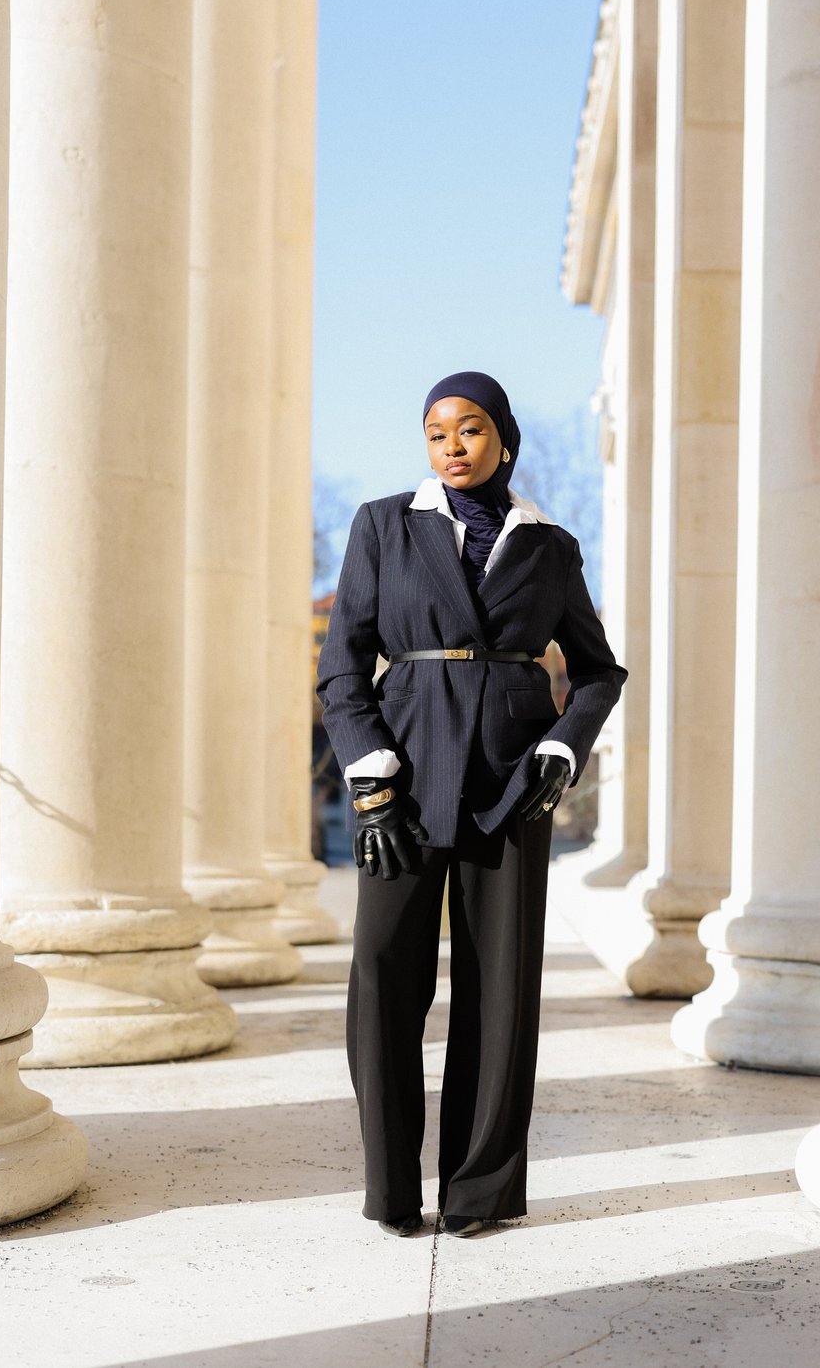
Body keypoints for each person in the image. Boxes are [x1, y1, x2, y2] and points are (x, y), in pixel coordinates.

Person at [316, 371, 627, 1239]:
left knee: (499, 990)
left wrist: (564, 744)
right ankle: (390, 1192)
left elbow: (599, 670)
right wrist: (370, 781)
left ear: (505, 438)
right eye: (436, 432)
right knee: (383, 979)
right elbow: (343, 668)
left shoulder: (550, 546)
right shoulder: (383, 524)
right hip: (402, 782)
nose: (452, 446)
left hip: (511, 786)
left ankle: (479, 1194)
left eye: (471, 429)